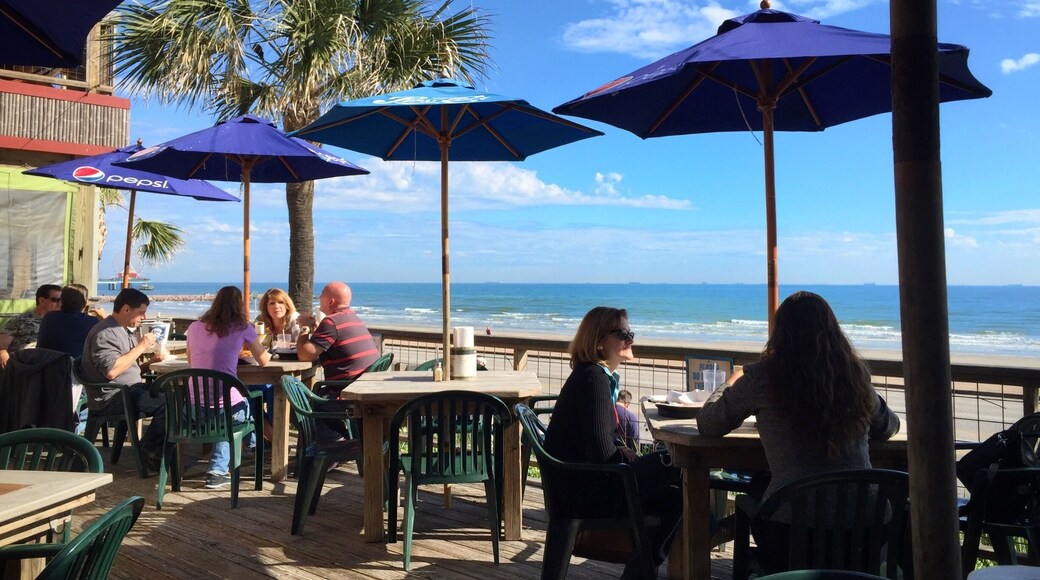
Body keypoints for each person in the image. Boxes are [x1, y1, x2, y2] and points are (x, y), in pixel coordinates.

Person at [696, 291, 901, 568]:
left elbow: (708, 424)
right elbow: (889, 427)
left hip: (792, 534)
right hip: (866, 531)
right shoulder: (855, 378)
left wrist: (730, 382)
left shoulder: (762, 378)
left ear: (779, 333)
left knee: (758, 494)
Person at [543, 306, 681, 580]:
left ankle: (640, 572)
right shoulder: (593, 380)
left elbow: (600, 444)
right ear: (598, 341)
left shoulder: (591, 376)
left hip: (577, 484)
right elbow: (601, 453)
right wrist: (629, 456)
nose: (630, 339)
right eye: (622, 333)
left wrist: (625, 452)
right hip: (585, 491)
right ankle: (644, 571)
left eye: (631, 332)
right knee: (676, 465)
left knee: (675, 494)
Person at [187, 286, 270, 489]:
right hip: (225, 414)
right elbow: (264, 361)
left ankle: (252, 444)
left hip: (192, 410)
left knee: (230, 404)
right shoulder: (243, 327)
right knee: (243, 402)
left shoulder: (194, 327)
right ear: (240, 304)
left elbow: (191, 361)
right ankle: (217, 470)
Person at [78, 287, 167, 470]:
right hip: (113, 397)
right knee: (169, 404)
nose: (143, 317)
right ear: (126, 309)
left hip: (127, 390)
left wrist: (151, 362)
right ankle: (149, 451)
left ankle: (158, 451)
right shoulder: (106, 333)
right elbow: (111, 371)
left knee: (176, 394)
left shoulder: (121, 330)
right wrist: (142, 346)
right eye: (141, 312)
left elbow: (127, 369)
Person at [296, 282, 379, 443]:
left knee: (301, 406)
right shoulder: (352, 318)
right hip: (361, 386)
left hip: (346, 392)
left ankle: (337, 445)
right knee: (316, 394)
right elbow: (329, 342)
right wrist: (314, 328)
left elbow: (305, 355)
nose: (319, 298)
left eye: (321, 294)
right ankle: (343, 441)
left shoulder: (332, 322)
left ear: (331, 301)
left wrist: (304, 329)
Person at [0, 283, 62, 368]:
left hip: (48, 367)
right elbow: (2, 346)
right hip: (22, 366)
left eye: (62, 300)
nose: (60, 304)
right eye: (56, 300)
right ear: (42, 301)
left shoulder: (60, 322)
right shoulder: (20, 320)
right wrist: (3, 355)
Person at [37, 285, 100, 359]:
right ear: (85, 302)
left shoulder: (49, 317)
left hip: (44, 366)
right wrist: (104, 318)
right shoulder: (91, 322)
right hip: (72, 368)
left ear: (62, 301)